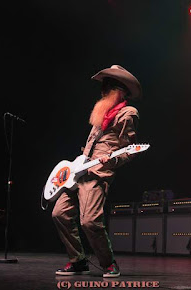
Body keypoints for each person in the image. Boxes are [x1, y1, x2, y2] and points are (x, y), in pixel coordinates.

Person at [52, 65, 142, 277]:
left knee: (90, 221)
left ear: (118, 90)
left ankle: (109, 263)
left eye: (107, 87)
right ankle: (78, 260)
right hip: (79, 172)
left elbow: (131, 150)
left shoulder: (128, 113)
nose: (102, 91)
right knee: (59, 213)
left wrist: (110, 160)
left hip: (98, 173)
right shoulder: (102, 112)